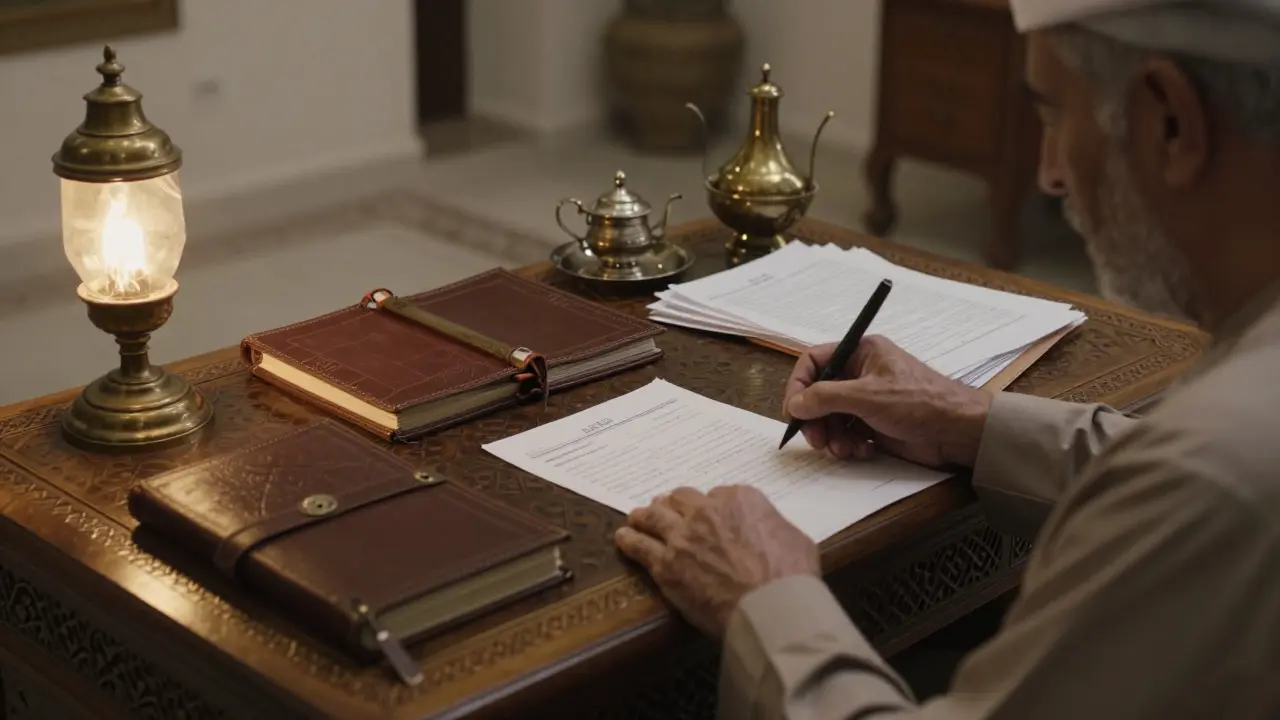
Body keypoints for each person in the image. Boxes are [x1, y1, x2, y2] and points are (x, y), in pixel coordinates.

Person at [613, 0, 1280, 717]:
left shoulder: (1213, 466)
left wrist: (766, 599)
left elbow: (1197, 485)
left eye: (1053, 117)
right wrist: (970, 420)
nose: (1051, 175)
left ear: (1169, 120)